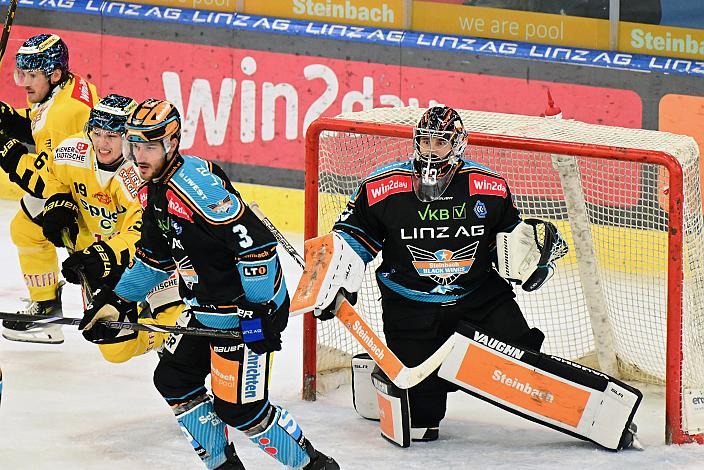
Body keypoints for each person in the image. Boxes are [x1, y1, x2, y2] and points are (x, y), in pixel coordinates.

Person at [303, 106, 639, 450]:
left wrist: (532, 256)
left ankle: (600, 414)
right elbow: (351, 237)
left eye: (441, 142)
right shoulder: (382, 188)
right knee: (421, 425)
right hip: (410, 306)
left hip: (479, 299)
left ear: (459, 144)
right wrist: (333, 279)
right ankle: (382, 373)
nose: (431, 150)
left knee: (524, 366)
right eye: (426, 141)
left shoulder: (488, 187)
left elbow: (506, 244)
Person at [79, 99, 339, 469]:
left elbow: (258, 249)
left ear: (172, 143)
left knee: (240, 410)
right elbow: (155, 261)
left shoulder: (197, 188)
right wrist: (117, 300)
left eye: (150, 146)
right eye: (134, 146)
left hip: (244, 312)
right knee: (174, 378)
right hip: (205, 309)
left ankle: (315, 467)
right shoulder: (155, 188)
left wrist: (260, 314)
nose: (139, 155)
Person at [0, 33, 98, 344]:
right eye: (22, 74)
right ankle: (46, 308)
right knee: (25, 229)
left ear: (53, 74)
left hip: (80, 198)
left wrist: (6, 149)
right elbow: (40, 127)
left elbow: (44, 184)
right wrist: (9, 119)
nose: (25, 83)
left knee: (107, 284)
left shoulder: (61, 114)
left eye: (32, 76)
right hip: (80, 182)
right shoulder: (69, 88)